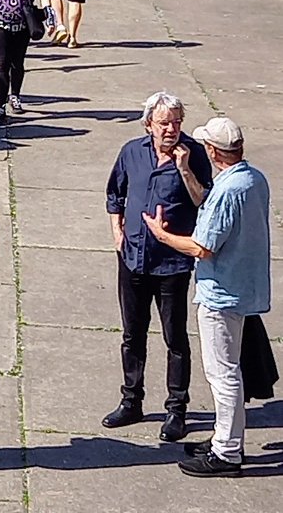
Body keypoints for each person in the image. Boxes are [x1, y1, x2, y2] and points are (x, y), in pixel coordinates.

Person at [142, 116, 271, 477]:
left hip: (221, 294)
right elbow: (215, 209)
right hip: (244, 286)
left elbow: (202, 247)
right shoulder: (253, 179)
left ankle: (227, 452)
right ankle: (223, 438)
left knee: (223, 374)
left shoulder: (229, 190)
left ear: (213, 151)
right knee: (228, 371)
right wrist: (185, 171)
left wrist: (162, 235)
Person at [103, 93, 213, 441]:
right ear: (148, 123)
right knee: (132, 334)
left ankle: (176, 409)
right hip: (133, 258)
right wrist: (117, 232)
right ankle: (131, 400)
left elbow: (204, 201)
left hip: (172, 264)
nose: (171, 129)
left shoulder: (194, 154)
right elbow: (114, 193)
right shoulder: (132, 151)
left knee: (175, 337)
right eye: (164, 123)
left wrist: (183, 168)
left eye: (177, 122)